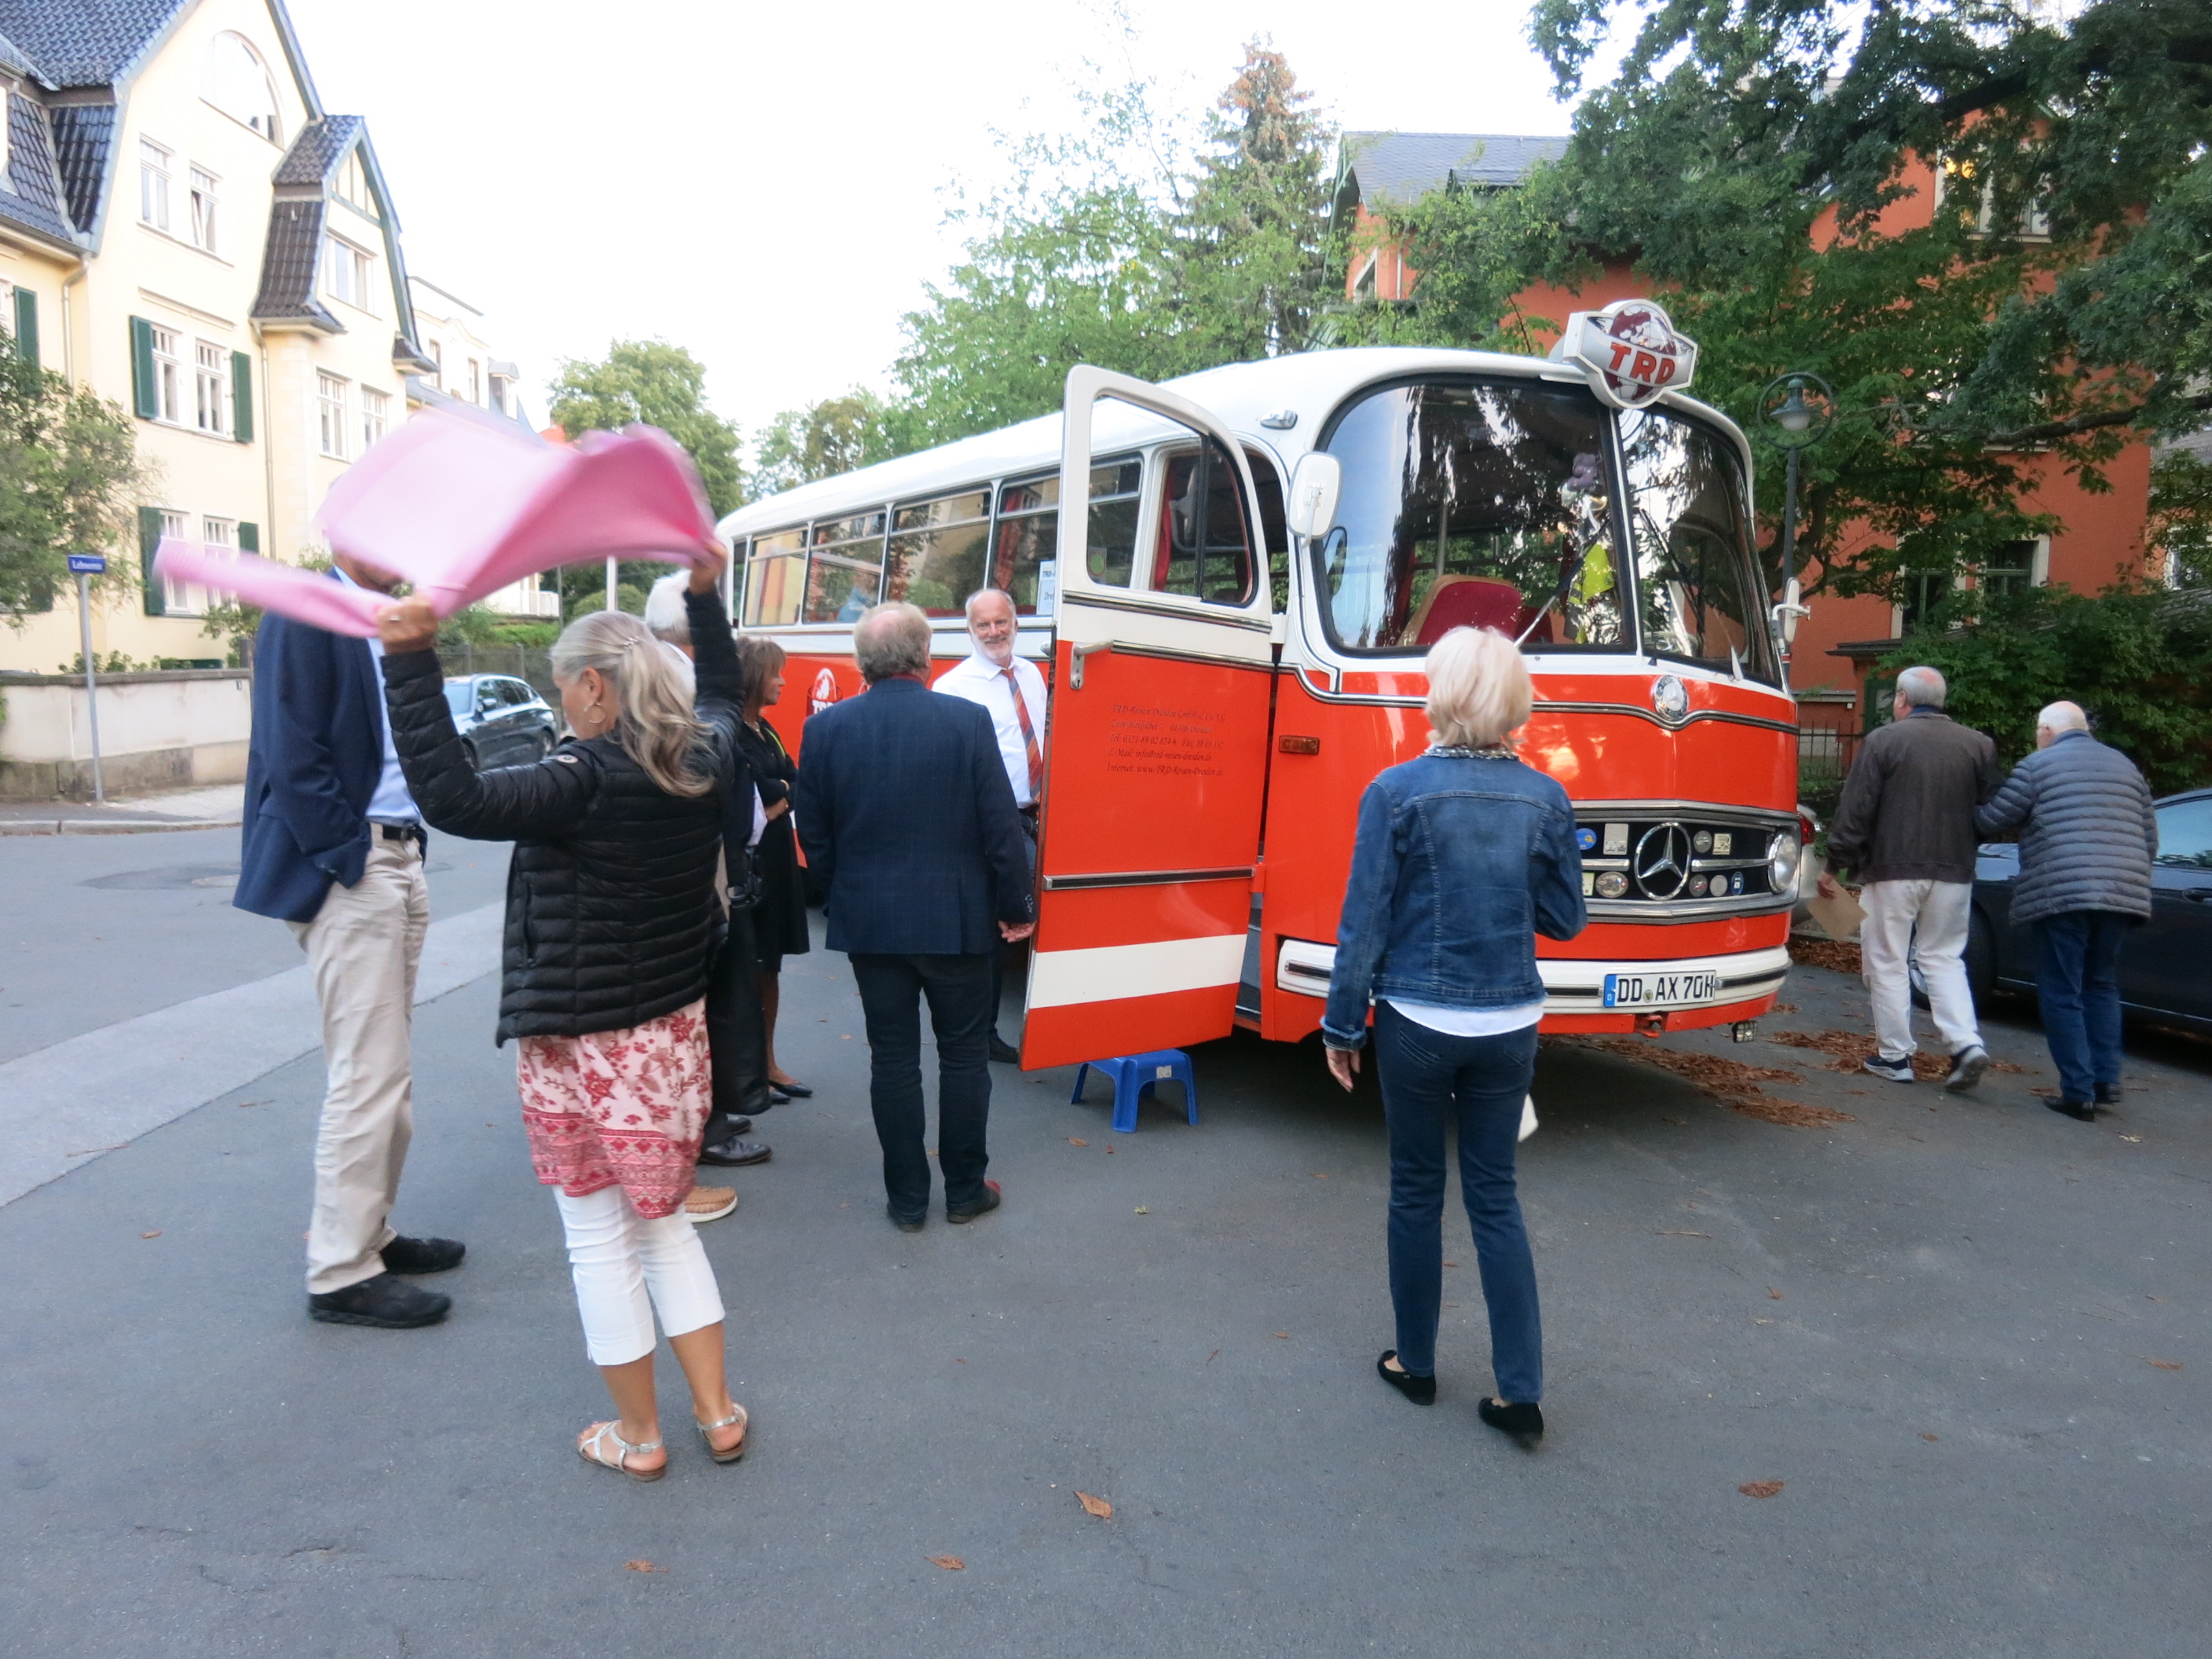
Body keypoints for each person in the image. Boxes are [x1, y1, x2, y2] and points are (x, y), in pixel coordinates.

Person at [373, 553, 751, 1478]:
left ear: (592, 686)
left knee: (596, 1234)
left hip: (584, 1048)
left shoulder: (579, 779)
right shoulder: (701, 755)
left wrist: (411, 660)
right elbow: (730, 696)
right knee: (664, 1225)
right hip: (668, 1036)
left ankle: (640, 1437)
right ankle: (717, 1412)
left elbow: (452, 797)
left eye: (558, 687)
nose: (556, 706)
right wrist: (705, 597)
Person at [1320, 626, 1585, 1439]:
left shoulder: (1393, 791)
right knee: (1494, 1197)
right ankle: (1519, 1390)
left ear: (1438, 693)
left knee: (1414, 1189)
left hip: (1416, 1020)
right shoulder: (1546, 799)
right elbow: (1564, 920)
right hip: (1509, 1023)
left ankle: (1416, 1363)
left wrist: (1340, 1024)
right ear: (1511, 701)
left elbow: (1362, 922)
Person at [234, 550, 461, 1331]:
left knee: (386, 1073)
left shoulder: (387, 621)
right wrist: (345, 857)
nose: (405, 551)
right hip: (356, 860)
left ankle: (372, 1233)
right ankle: (339, 1271)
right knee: (368, 1074)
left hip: (399, 852)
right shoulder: (307, 609)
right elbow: (292, 753)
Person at [794, 601, 1035, 1232]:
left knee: (892, 1060)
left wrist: (844, 889)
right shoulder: (967, 721)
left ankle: (906, 1202)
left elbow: (813, 833)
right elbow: (1000, 830)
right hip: (958, 922)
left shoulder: (826, 730)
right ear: (927, 656)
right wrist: (1016, 909)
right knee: (962, 1057)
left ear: (860, 662)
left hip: (872, 925)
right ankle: (964, 1190)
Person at [645, 574, 771, 1215]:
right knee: (691, 1010)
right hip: (692, 875)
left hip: (699, 868)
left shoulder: (660, 673)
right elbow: (721, 698)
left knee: (703, 1006)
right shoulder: (672, 682)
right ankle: (694, 1140)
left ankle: (707, 1122)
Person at [1976, 700, 2159, 1121]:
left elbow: (1994, 819)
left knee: (2062, 989)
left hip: (2062, 892)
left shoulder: (2037, 766)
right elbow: (2149, 838)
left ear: (2045, 730)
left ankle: (2077, 1091)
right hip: (2120, 894)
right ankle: (2106, 1081)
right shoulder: (2126, 767)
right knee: (2100, 984)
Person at [1818, 665, 1998, 1092]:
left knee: (1887, 959)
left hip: (1890, 869)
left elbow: (1855, 811)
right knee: (1943, 958)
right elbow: (1991, 811)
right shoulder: (1979, 745)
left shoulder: (1883, 741)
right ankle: (1966, 1044)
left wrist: (1833, 867)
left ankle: (1894, 1056)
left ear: (1902, 698)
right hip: (1954, 872)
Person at [932, 588, 1048, 1063]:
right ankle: (980, 1033)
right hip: (992, 825)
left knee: (1041, 921)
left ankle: (1051, 1023)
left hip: (1040, 815)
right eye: (984, 625)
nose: (994, 632)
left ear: (1015, 622)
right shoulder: (953, 688)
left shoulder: (1034, 675)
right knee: (998, 930)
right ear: (970, 631)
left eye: (1001, 622)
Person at [731, 634, 814, 1101]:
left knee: (770, 968)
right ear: (753, 678)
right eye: (776, 672)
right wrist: (774, 793)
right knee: (745, 970)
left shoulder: (766, 728)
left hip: (778, 862)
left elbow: (795, 781)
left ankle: (768, 1064)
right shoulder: (729, 731)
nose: (783, 679)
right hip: (750, 867)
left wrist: (776, 793)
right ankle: (742, 1073)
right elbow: (752, 792)